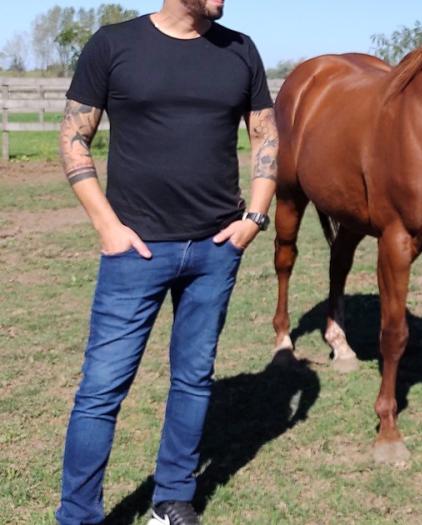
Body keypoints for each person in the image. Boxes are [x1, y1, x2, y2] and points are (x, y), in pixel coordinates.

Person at [54, 0, 277, 523]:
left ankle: (172, 498)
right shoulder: (114, 45)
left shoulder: (240, 50)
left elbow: (266, 135)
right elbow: (73, 137)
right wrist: (107, 226)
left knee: (195, 377)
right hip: (135, 251)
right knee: (101, 389)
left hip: (215, 249)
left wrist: (255, 218)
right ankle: (79, 516)